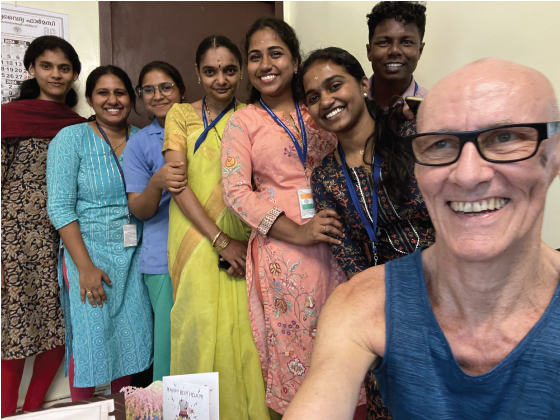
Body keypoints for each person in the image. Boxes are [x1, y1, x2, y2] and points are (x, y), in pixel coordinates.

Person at [284, 58, 560, 419]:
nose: (468, 175)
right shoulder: (360, 305)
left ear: (554, 155)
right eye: (442, 145)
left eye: (505, 138)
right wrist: (380, 291)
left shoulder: (397, 145)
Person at [221, 18, 357, 416]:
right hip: (285, 253)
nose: (266, 63)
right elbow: (235, 192)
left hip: (341, 240)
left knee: (348, 341)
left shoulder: (319, 107)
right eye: (255, 56)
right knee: (295, 349)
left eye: (276, 53)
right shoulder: (243, 121)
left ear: (295, 60)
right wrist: (297, 232)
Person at [302, 47, 435, 419]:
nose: (326, 101)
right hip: (384, 306)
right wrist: (384, 311)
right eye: (314, 97)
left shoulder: (411, 135)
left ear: (362, 84)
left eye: (334, 85)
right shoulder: (325, 176)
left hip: (448, 291)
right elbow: (347, 253)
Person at [162, 36, 270, 420]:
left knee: (247, 334)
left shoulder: (255, 115)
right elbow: (177, 185)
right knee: (198, 324)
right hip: (196, 238)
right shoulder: (181, 115)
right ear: (197, 73)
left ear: (241, 71)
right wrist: (220, 240)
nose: (220, 79)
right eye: (210, 71)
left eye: (228, 70)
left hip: (246, 240)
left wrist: (236, 240)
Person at [47, 65, 153, 401]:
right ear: (91, 99)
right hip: (87, 253)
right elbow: (60, 208)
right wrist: (85, 268)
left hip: (135, 254)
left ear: (131, 97)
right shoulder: (70, 138)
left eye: (120, 92)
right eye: (103, 93)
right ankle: (82, 407)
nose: (112, 100)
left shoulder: (143, 140)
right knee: (91, 343)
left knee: (131, 341)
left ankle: (124, 409)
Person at [1, 35, 86, 416]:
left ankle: (33, 409)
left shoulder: (80, 125)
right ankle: (7, 410)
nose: (56, 74)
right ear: (31, 69)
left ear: (74, 74)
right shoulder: (10, 117)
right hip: (15, 238)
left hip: (65, 237)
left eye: (64, 67)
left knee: (61, 325)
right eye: (47, 66)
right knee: (15, 330)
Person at [122, 61, 186, 382]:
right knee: (168, 354)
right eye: (149, 89)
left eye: (166, 87)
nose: (158, 95)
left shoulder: (205, 128)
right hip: (162, 261)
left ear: (182, 90)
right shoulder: (140, 143)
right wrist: (157, 182)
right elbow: (140, 210)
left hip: (212, 251)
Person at [366, 1, 428, 107]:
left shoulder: (432, 108)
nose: (394, 51)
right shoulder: (351, 102)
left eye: (406, 42)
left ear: (420, 50)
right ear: (369, 51)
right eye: (383, 42)